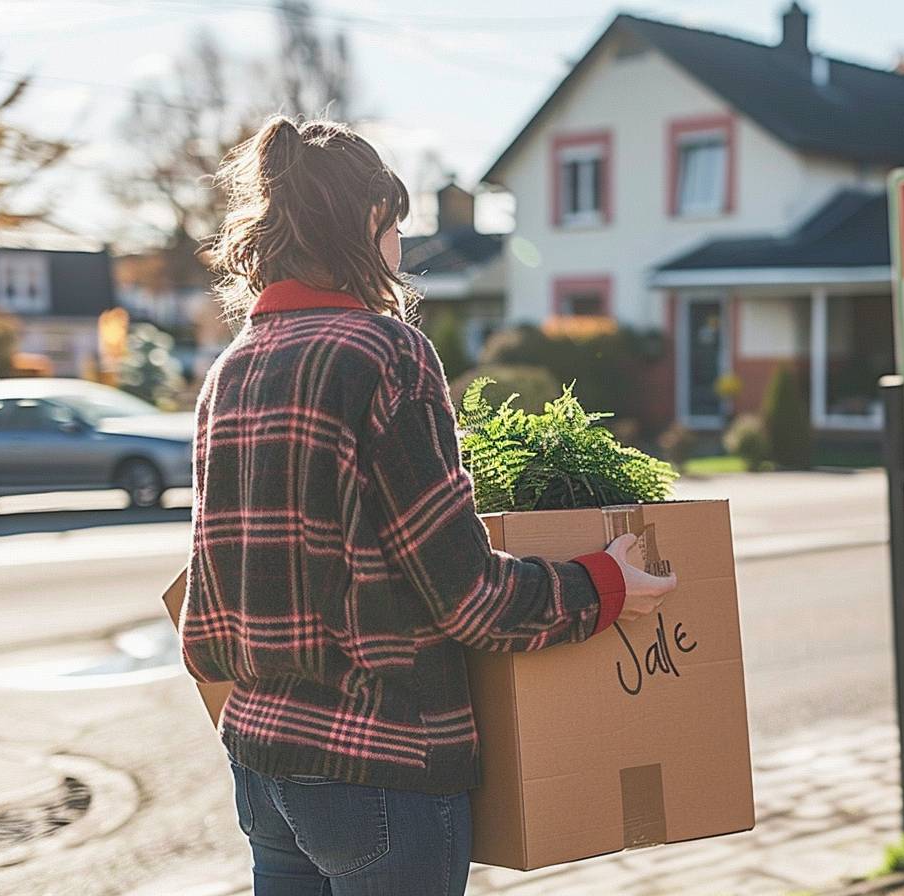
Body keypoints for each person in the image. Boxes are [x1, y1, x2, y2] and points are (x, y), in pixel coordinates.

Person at [179, 115, 677, 896]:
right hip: (380, 770)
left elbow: (203, 625)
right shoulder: (385, 354)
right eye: (394, 226)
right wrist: (606, 585)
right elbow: (468, 598)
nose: (400, 249)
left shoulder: (231, 370)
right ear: (366, 223)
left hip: (261, 763)